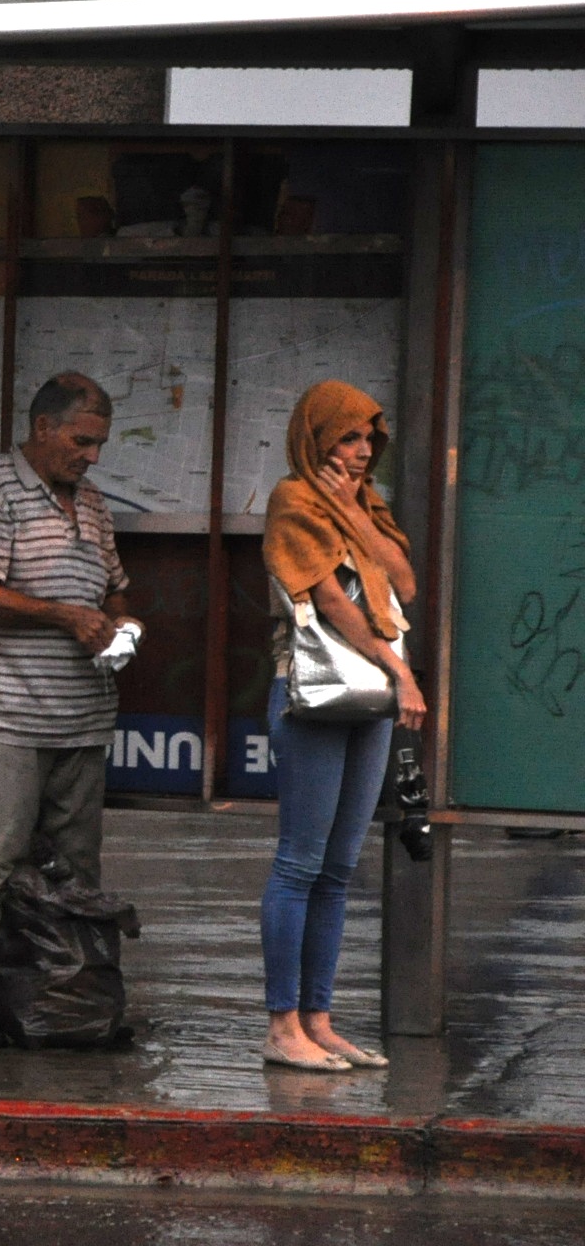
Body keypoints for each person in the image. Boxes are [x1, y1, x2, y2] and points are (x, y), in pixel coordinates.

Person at [0, 372, 141, 1047]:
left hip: (81, 716)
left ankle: (71, 1001)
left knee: (78, 873)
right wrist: (62, 617)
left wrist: (121, 626)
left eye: (101, 444)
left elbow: (114, 590)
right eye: (82, 441)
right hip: (5, 714)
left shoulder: (92, 503)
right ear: (42, 430)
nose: (92, 456)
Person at [258, 380, 421, 1072]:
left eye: (365, 440)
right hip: (319, 692)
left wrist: (354, 508)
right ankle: (282, 1024)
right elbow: (329, 600)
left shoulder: (365, 504)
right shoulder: (293, 501)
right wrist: (403, 673)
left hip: (371, 697)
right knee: (299, 861)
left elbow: (405, 585)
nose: (357, 452)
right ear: (315, 439)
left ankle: (319, 1019)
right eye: (345, 438)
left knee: (339, 867)